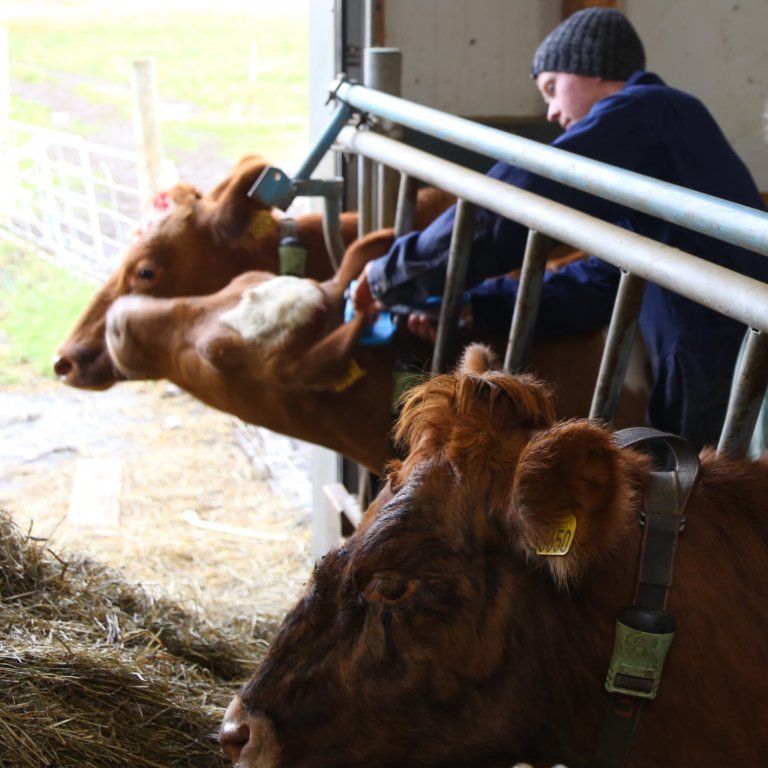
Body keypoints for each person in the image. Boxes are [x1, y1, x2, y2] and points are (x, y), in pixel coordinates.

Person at [353, 6, 768, 450]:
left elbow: (517, 202)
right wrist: (479, 307)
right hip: (715, 356)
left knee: (697, 504)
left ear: (592, 68)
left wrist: (393, 274)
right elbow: (605, 282)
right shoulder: (658, 134)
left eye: (551, 88)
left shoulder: (644, 110)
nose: (550, 112)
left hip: (723, 362)